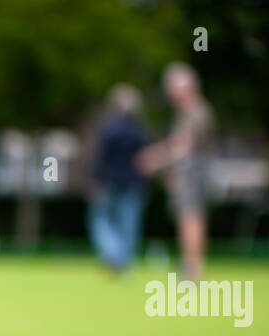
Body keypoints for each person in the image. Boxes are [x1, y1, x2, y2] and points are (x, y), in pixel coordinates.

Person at [136, 63, 215, 279]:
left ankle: (193, 266)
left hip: (193, 172)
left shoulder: (196, 111)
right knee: (187, 217)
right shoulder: (187, 112)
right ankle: (190, 264)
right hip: (188, 171)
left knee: (191, 217)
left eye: (173, 87)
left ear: (187, 86)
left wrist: (156, 159)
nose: (170, 93)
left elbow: (183, 147)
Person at [86, 84, 148, 273]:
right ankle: (123, 260)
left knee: (101, 220)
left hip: (109, 182)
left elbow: (100, 158)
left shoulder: (108, 129)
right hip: (133, 183)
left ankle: (113, 255)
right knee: (128, 224)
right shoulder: (140, 131)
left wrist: (94, 178)